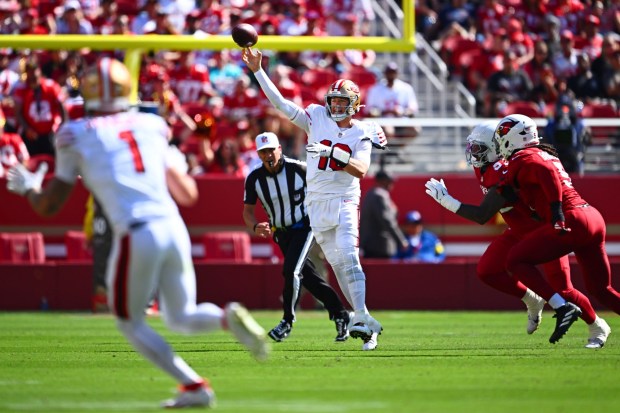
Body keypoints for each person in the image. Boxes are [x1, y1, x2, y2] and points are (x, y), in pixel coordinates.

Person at [5, 57, 269, 408]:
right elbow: (188, 194)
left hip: (136, 231)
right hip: (174, 226)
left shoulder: (75, 134)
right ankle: (225, 318)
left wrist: (29, 189)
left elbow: (50, 206)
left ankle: (193, 386)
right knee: (181, 316)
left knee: (129, 321)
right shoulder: (150, 125)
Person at [242, 47, 386, 351]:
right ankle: (364, 319)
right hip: (316, 204)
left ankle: (360, 317)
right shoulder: (316, 117)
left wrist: (332, 152)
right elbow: (280, 104)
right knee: (337, 265)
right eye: (332, 100)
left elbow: (360, 170)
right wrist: (258, 71)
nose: (335, 106)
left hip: (345, 198)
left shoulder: (363, 131)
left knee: (349, 257)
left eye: (341, 101)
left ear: (354, 104)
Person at [425, 116, 615, 348]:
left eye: (479, 148)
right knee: (487, 270)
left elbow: (483, 214)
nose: (474, 153)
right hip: (519, 229)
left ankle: (596, 324)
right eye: (473, 147)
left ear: (499, 146)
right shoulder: (491, 165)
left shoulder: (509, 165)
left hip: (543, 229)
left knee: (563, 288)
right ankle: (532, 299)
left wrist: (448, 202)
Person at [242, 132, 351, 343]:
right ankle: (340, 313)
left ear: (279, 149)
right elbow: (247, 211)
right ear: (258, 154)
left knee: (290, 271)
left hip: (305, 226)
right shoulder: (254, 178)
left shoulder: (299, 169)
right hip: (281, 233)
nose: (268, 155)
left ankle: (287, 321)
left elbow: (324, 190)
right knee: (309, 279)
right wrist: (255, 226)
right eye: (263, 152)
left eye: (271, 150)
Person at [359, 170, 408, 259]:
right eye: (389, 181)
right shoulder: (379, 195)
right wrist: (401, 240)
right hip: (379, 247)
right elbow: (388, 221)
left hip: (372, 245)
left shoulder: (371, 193)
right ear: (382, 181)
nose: (392, 184)